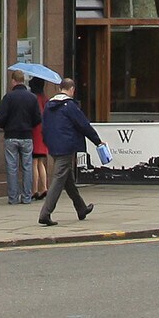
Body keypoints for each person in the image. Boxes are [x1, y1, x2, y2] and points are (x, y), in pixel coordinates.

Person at [36, 77, 102, 225]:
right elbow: (83, 125)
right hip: (67, 146)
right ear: (72, 90)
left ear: (60, 89)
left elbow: (44, 126)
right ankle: (45, 213)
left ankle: (81, 208)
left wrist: (47, 142)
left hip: (53, 146)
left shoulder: (48, 105)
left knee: (67, 179)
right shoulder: (70, 106)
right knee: (59, 178)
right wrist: (97, 141)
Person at [0, 71, 44, 205]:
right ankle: (27, 197)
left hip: (11, 136)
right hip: (27, 136)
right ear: (23, 81)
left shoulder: (8, 97)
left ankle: (13, 198)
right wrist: (29, 125)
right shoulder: (32, 98)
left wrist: (6, 126)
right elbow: (38, 118)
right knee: (27, 167)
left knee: (12, 167)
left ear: (13, 81)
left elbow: (0, 117)